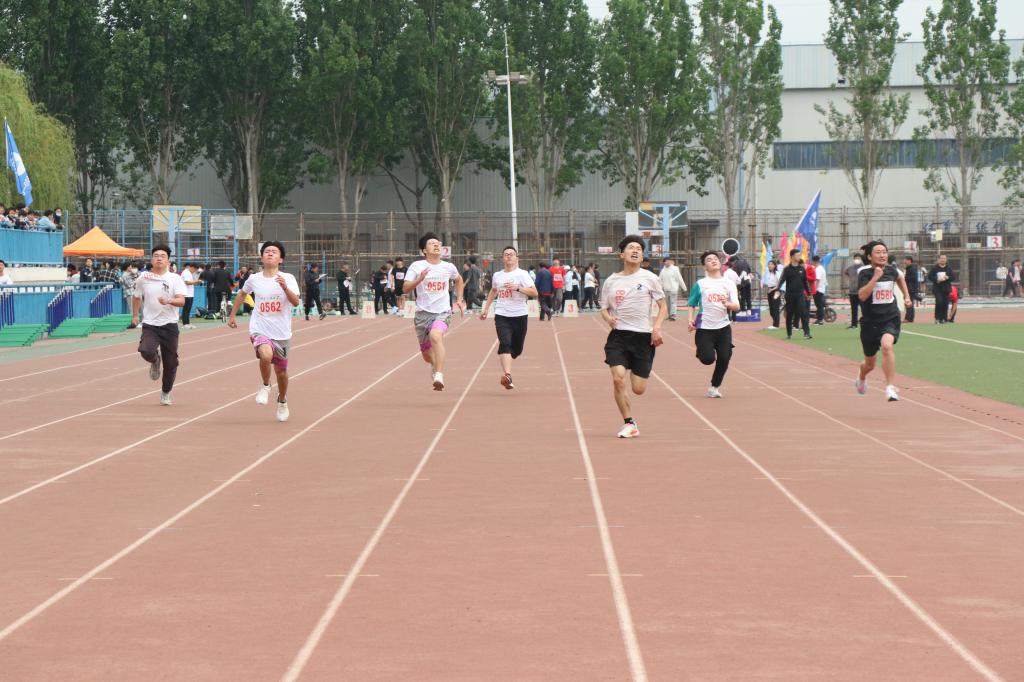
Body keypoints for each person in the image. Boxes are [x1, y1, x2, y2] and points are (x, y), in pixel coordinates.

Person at [600, 235, 667, 439]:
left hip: (643, 337)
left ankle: (638, 370)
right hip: (619, 336)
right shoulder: (611, 281)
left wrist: (657, 328)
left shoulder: (650, 278)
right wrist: (608, 319)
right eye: (631, 247)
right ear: (622, 254)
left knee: (638, 389)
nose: (636, 250)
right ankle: (629, 423)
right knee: (618, 378)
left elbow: (663, 307)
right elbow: (603, 308)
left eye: (639, 248)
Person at [228, 241, 300, 422]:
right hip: (260, 328)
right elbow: (242, 294)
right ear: (261, 257)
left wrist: (284, 288)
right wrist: (232, 315)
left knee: (281, 373)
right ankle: (266, 385)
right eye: (267, 251)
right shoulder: (254, 279)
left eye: (274, 252)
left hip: (281, 332)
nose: (270, 253)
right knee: (265, 355)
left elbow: (296, 302)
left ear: (281, 259)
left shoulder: (288, 278)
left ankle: (282, 401)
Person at [403, 232, 465, 391]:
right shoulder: (417, 266)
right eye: (432, 243)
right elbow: (405, 288)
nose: (436, 245)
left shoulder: (448, 267)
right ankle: (433, 364)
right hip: (422, 314)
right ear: (424, 250)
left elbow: (459, 280)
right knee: (426, 355)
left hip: (443, 312)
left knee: (435, 336)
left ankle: (439, 374)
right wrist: (419, 279)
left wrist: (459, 299)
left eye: (438, 243)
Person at [855, 241, 912, 402]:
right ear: (869, 256)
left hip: (890, 317)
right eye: (878, 252)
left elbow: (900, 279)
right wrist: (875, 277)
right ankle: (861, 376)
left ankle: (890, 387)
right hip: (870, 322)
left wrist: (906, 297)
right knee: (869, 364)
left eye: (884, 252)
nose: (882, 255)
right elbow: (862, 296)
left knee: (887, 346)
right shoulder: (864, 273)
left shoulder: (892, 270)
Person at [131, 244, 187, 406]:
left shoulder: (175, 278)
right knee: (146, 350)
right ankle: (155, 360)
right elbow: (136, 297)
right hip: (150, 324)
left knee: (171, 363)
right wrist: (135, 316)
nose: (159, 258)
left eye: (163, 256)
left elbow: (182, 301)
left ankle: (166, 392)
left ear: (168, 260)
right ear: (151, 260)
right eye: (156, 256)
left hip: (170, 325)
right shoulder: (144, 278)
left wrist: (169, 300)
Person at [478, 246, 538, 389]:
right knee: (505, 343)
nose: (509, 256)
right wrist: (486, 309)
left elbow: (534, 293)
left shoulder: (522, 274)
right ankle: (507, 375)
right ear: (502, 258)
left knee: (517, 350)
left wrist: (517, 288)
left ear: (517, 258)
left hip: (520, 315)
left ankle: (509, 356)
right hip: (502, 315)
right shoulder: (497, 276)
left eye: (511, 254)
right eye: (506, 254)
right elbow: (493, 291)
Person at [688, 251, 740, 398]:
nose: (713, 261)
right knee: (707, 359)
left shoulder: (729, 283)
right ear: (705, 266)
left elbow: (737, 306)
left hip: (723, 327)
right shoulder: (700, 284)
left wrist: (727, 304)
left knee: (725, 357)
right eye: (709, 260)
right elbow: (692, 304)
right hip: (705, 328)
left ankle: (714, 387)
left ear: (720, 262)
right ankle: (702, 350)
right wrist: (690, 320)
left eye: (715, 259)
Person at [780, 251, 812, 339]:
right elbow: (781, 280)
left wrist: (809, 292)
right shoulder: (787, 269)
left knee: (803, 313)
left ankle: (806, 333)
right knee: (789, 314)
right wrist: (778, 290)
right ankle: (789, 334)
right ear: (792, 257)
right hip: (790, 295)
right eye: (797, 255)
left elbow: (805, 282)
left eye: (799, 255)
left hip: (800, 294)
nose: (799, 256)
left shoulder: (802, 269)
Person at [927, 254, 956, 324]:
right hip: (937, 288)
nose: (943, 260)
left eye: (944, 258)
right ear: (939, 259)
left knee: (945, 304)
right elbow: (930, 276)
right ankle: (937, 318)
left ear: (946, 260)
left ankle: (944, 318)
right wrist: (937, 279)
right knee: (939, 302)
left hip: (946, 289)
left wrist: (948, 277)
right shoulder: (935, 268)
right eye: (941, 258)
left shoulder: (949, 268)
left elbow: (953, 277)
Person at [659, 256, 688, 321]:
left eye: (669, 260)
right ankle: (669, 315)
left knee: (673, 303)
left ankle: (673, 315)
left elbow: (679, 278)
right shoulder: (663, 270)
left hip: (673, 289)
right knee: (667, 304)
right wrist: (660, 288)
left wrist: (684, 288)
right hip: (666, 289)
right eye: (666, 261)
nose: (668, 262)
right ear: (664, 262)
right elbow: (660, 280)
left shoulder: (675, 269)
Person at [844, 254, 863, 328]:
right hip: (852, 291)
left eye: (858, 258)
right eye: (856, 258)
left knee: (864, 309)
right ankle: (854, 324)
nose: (857, 260)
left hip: (862, 291)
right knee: (853, 309)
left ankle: (866, 323)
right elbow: (845, 272)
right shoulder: (850, 268)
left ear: (861, 259)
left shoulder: (864, 268)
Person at [761, 259, 782, 329]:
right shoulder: (768, 274)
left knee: (775, 308)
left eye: (771, 264)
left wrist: (772, 289)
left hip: (776, 291)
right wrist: (763, 284)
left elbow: (779, 284)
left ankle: (776, 325)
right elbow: (766, 282)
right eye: (769, 264)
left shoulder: (777, 273)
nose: (770, 265)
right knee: (771, 310)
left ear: (775, 265)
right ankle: (774, 322)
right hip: (769, 291)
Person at [180, 262, 199, 329]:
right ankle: (185, 324)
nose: (195, 271)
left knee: (188, 309)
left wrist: (195, 281)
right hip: (186, 294)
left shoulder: (189, 273)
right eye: (195, 269)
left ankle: (187, 323)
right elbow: (187, 282)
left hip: (189, 294)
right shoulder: (186, 272)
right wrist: (196, 281)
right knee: (186, 309)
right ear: (192, 267)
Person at [902, 256, 919, 323]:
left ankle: (908, 318)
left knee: (908, 303)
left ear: (909, 261)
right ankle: (911, 318)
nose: (904, 261)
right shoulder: (908, 268)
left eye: (905, 260)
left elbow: (913, 278)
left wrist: (904, 277)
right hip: (910, 288)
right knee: (910, 304)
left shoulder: (912, 269)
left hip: (910, 289)